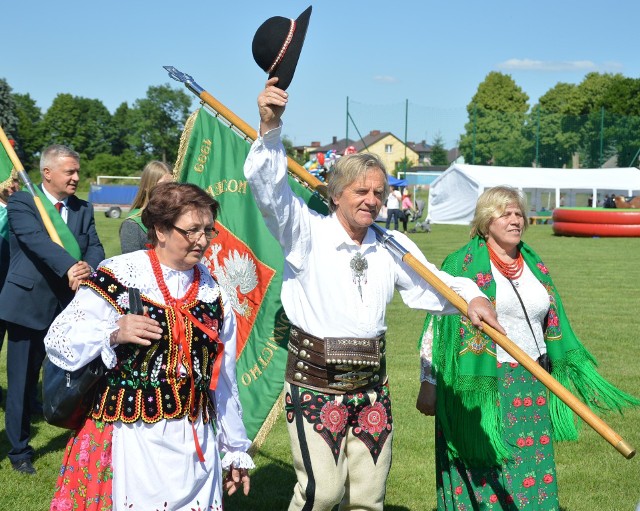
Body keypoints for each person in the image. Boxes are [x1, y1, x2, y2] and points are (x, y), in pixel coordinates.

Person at [244, 78, 503, 511]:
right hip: (314, 385)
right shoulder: (305, 233)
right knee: (321, 494)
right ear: (336, 194)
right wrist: (270, 128)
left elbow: (432, 283)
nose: (371, 200)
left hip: (371, 389)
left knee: (368, 498)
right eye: (361, 191)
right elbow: (271, 193)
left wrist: (471, 297)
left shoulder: (391, 245)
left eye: (378, 193)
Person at [416, 185, 639, 510]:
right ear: (485, 219)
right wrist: (430, 382)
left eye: (519, 213)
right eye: (505, 213)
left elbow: (549, 320)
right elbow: (435, 328)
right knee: (486, 470)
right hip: (480, 386)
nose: (515, 219)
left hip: (533, 383)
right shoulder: (460, 264)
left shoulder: (534, 265)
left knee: (533, 471)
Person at [45, 182, 253, 509]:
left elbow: (223, 377)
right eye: (192, 230)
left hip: (193, 440)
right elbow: (60, 337)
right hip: (129, 435)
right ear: (160, 229)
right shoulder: (121, 274)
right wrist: (112, 331)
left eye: (208, 231)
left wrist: (235, 449)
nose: (202, 240)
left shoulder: (215, 293)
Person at [0, 145, 105, 475]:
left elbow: (95, 246)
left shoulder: (84, 208)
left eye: (77, 171)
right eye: (69, 172)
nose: (76, 177)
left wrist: (88, 269)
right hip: (27, 305)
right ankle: (19, 451)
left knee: (73, 376)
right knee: (22, 382)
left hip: (70, 307)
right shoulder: (23, 202)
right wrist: (70, 267)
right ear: (47, 173)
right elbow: (33, 239)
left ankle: (78, 434)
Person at [119, 160, 173, 254]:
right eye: (162, 185)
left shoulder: (175, 218)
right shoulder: (132, 224)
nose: (168, 190)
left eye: (171, 185)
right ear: (147, 186)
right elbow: (131, 263)